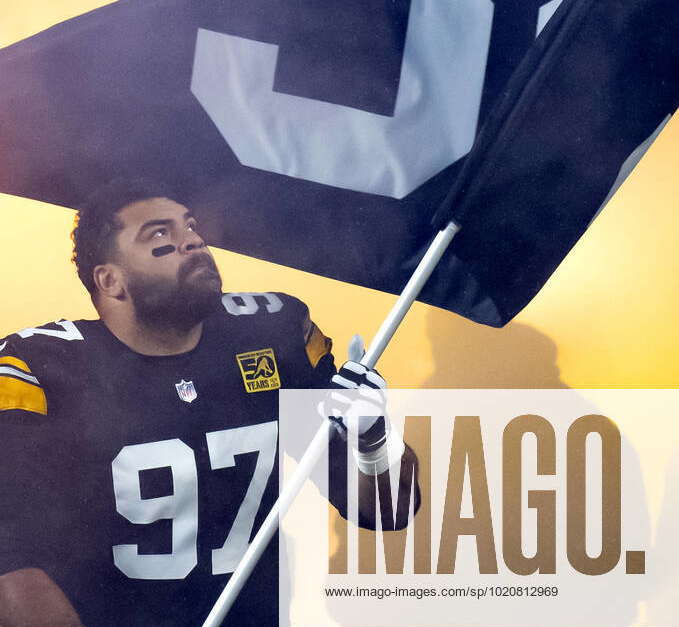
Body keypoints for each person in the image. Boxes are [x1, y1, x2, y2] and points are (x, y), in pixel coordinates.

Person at [0, 179, 417, 626]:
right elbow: (14, 566)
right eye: (159, 234)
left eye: (190, 226)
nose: (192, 240)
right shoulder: (41, 369)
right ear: (110, 280)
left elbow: (389, 510)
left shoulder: (272, 333)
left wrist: (373, 439)